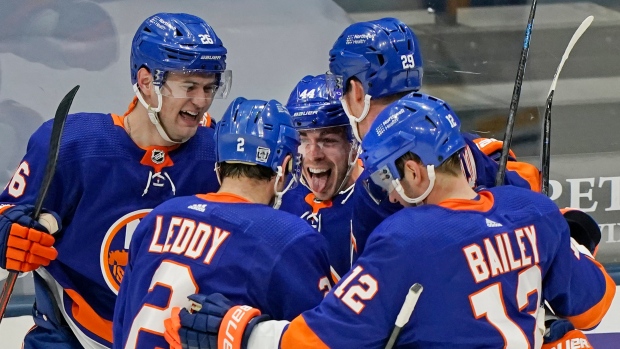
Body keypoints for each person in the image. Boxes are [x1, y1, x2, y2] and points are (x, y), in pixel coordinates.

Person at [164, 93, 615, 349]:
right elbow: (596, 307)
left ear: (416, 171)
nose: (390, 193)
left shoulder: (407, 237)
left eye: (387, 177)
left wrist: (243, 332)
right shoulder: (534, 212)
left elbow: (318, 341)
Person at [0, 12, 231, 348]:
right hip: (71, 334)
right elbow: (8, 211)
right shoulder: (72, 145)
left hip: (173, 339)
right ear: (146, 81)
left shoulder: (221, 156)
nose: (202, 101)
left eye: (210, 87)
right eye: (189, 87)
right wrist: (7, 234)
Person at [113, 97, 332, 349]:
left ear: (220, 164)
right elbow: (323, 339)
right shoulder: (288, 238)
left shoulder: (158, 217)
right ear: (284, 167)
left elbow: (121, 323)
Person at [327, 17, 540, 258]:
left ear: (356, 91)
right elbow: (533, 196)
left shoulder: (375, 185)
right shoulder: (473, 147)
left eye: (337, 86)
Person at [280, 74, 359, 281]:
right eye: (303, 139)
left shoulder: (375, 204)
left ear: (353, 145)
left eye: (328, 141)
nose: (314, 155)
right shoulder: (280, 192)